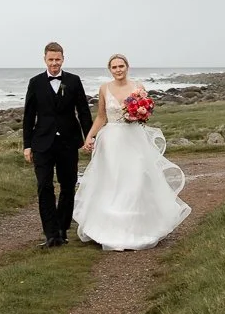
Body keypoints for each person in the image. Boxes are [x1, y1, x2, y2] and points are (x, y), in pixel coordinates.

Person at [72, 53, 190, 250]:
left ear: (127, 67)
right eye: (114, 67)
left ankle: (138, 229)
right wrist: (90, 136)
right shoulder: (104, 88)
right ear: (110, 70)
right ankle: (110, 229)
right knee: (113, 181)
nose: (118, 70)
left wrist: (139, 114)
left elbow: (146, 115)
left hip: (134, 138)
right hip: (111, 141)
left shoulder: (138, 88)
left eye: (121, 66)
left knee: (136, 179)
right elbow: (101, 117)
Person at [23, 42, 93, 248]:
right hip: (42, 142)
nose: (54, 63)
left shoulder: (73, 81)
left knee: (68, 186)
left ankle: (62, 230)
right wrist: (27, 145)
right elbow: (28, 117)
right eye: (51, 59)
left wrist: (89, 137)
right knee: (44, 186)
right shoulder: (35, 83)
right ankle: (51, 234)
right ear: (45, 59)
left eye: (58, 59)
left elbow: (83, 111)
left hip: (68, 142)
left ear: (63, 59)